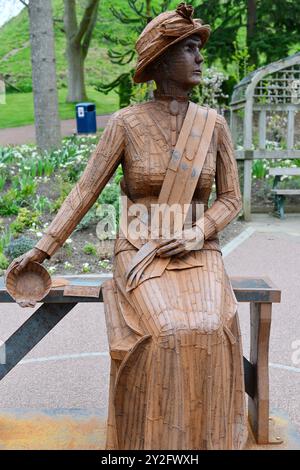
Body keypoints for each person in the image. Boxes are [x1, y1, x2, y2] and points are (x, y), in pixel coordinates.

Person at [8, 3, 248, 450]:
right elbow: (84, 191)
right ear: (159, 61)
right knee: (165, 332)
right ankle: (150, 444)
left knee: (213, 326)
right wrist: (41, 251)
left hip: (199, 249)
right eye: (189, 49)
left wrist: (198, 231)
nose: (199, 58)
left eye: (199, 49)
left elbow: (232, 198)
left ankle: (208, 441)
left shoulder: (212, 125)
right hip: (141, 249)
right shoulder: (126, 123)